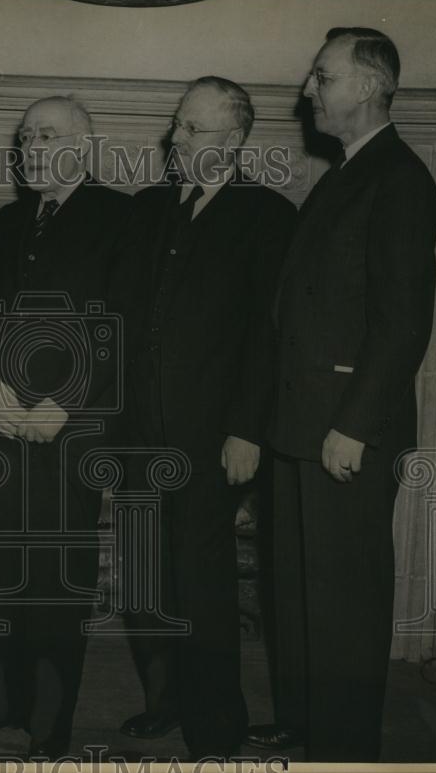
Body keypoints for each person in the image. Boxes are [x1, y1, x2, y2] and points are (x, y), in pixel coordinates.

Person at [248, 27, 436, 761]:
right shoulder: (346, 172)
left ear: (367, 85)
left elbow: (401, 323)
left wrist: (355, 424)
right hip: (302, 424)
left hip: (345, 429)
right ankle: (304, 723)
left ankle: (345, 747)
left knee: (346, 603)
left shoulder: (398, 178)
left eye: (322, 77)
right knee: (298, 593)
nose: (307, 92)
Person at [114, 77, 296, 759]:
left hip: (212, 439)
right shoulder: (147, 208)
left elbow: (267, 335)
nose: (176, 138)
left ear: (236, 141)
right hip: (138, 433)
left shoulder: (267, 216)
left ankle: (216, 727)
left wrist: (247, 427)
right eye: (177, 125)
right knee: (146, 577)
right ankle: (165, 700)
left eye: (192, 129)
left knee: (202, 583)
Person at [0, 96, 133, 759]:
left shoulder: (121, 215)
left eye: (46, 136)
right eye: (25, 137)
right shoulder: (9, 218)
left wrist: (67, 402)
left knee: (58, 581)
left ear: (84, 148)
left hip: (69, 434)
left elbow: (121, 326)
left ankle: (50, 727)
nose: (30, 147)